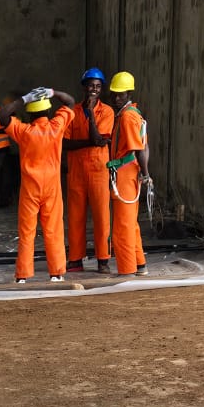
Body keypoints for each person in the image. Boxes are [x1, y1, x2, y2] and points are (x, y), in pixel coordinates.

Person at [0, 87, 76, 283]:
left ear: (30, 113)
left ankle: (23, 275)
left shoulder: (24, 132)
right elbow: (70, 102)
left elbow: (2, 115)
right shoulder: (56, 126)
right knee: (53, 230)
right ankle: (57, 273)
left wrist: (23, 99)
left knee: (27, 232)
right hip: (51, 187)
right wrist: (53, 92)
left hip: (30, 190)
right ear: (49, 111)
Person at [64, 68, 114, 273]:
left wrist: (91, 114)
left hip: (98, 171)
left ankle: (103, 259)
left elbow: (99, 139)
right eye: (91, 85)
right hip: (77, 172)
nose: (94, 89)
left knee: (102, 216)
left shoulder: (107, 112)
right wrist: (91, 143)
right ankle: (75, 259)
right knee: (75, 216)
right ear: (84, 87)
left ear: (101, 89)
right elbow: (65, 143)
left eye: (98, 86)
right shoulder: (72, 112)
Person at [106, 72, 152, 276]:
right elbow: (144, 146)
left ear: (129, 93)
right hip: (129, 172)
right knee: (130, 224)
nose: (117, 98)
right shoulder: (135, 114)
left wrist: (146, 174)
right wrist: (144, 173)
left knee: (122, 228)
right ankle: (140, 265)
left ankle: (127, 270)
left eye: (121, 94)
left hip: (125, 174)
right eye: (115, 94)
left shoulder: (126, 117)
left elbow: (139, 149)